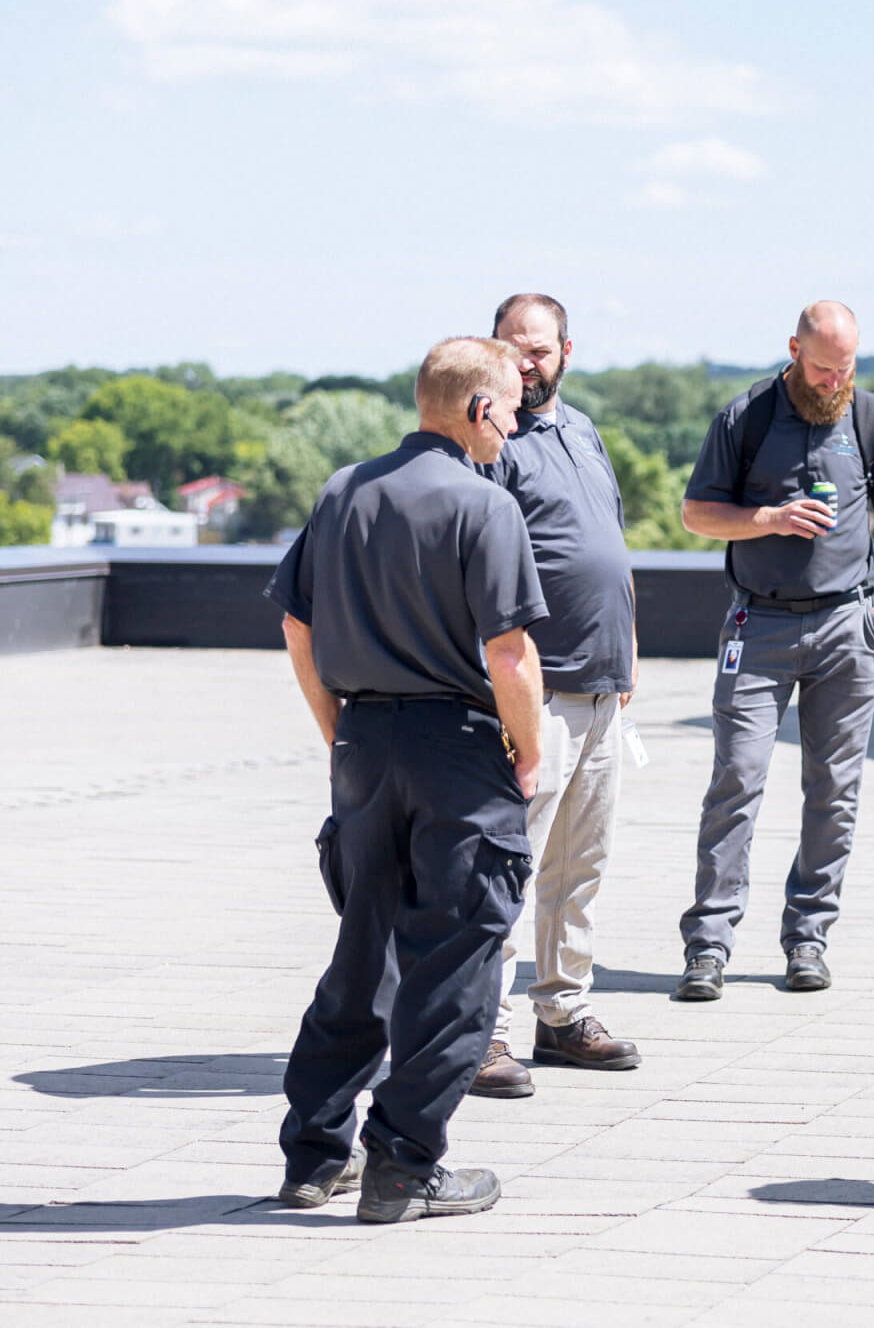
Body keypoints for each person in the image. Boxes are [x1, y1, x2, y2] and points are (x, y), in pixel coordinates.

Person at [266, 336, 546, 1222]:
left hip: (364, 748)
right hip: (458, 751)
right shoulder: (483, 504)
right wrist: (528, 748)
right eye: (511, 409)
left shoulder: (343, 489)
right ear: (477, 410)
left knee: (364, 955)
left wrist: (339, 734)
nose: (515, 426)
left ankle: (314, 1153)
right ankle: (404, 1161)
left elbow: (298, 630)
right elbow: (509, 651)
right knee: (459, 962)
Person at [673, 301, 874, 1000]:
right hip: (759, 628)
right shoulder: (745, 416)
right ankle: (708, 945)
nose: (834, 380)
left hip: (849, 629)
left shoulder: (868, 416)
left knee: (834, 794)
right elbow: (696, 512)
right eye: (822, 368)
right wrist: (771, 519)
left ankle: (808, 936)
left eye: (845, 367)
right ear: (793, 350)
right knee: (737, 782)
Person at [466, 294, 641, 1101]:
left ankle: (563, 1013)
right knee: (511, 866)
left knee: (581, 866)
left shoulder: (582, 430)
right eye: (513, 348)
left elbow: (607, 542)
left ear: (567, 350)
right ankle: (480, 1034)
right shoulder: (490, 443)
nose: (527, 362)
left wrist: (627, 649)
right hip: (538, 689)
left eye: (539, 349)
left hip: (603, 686)